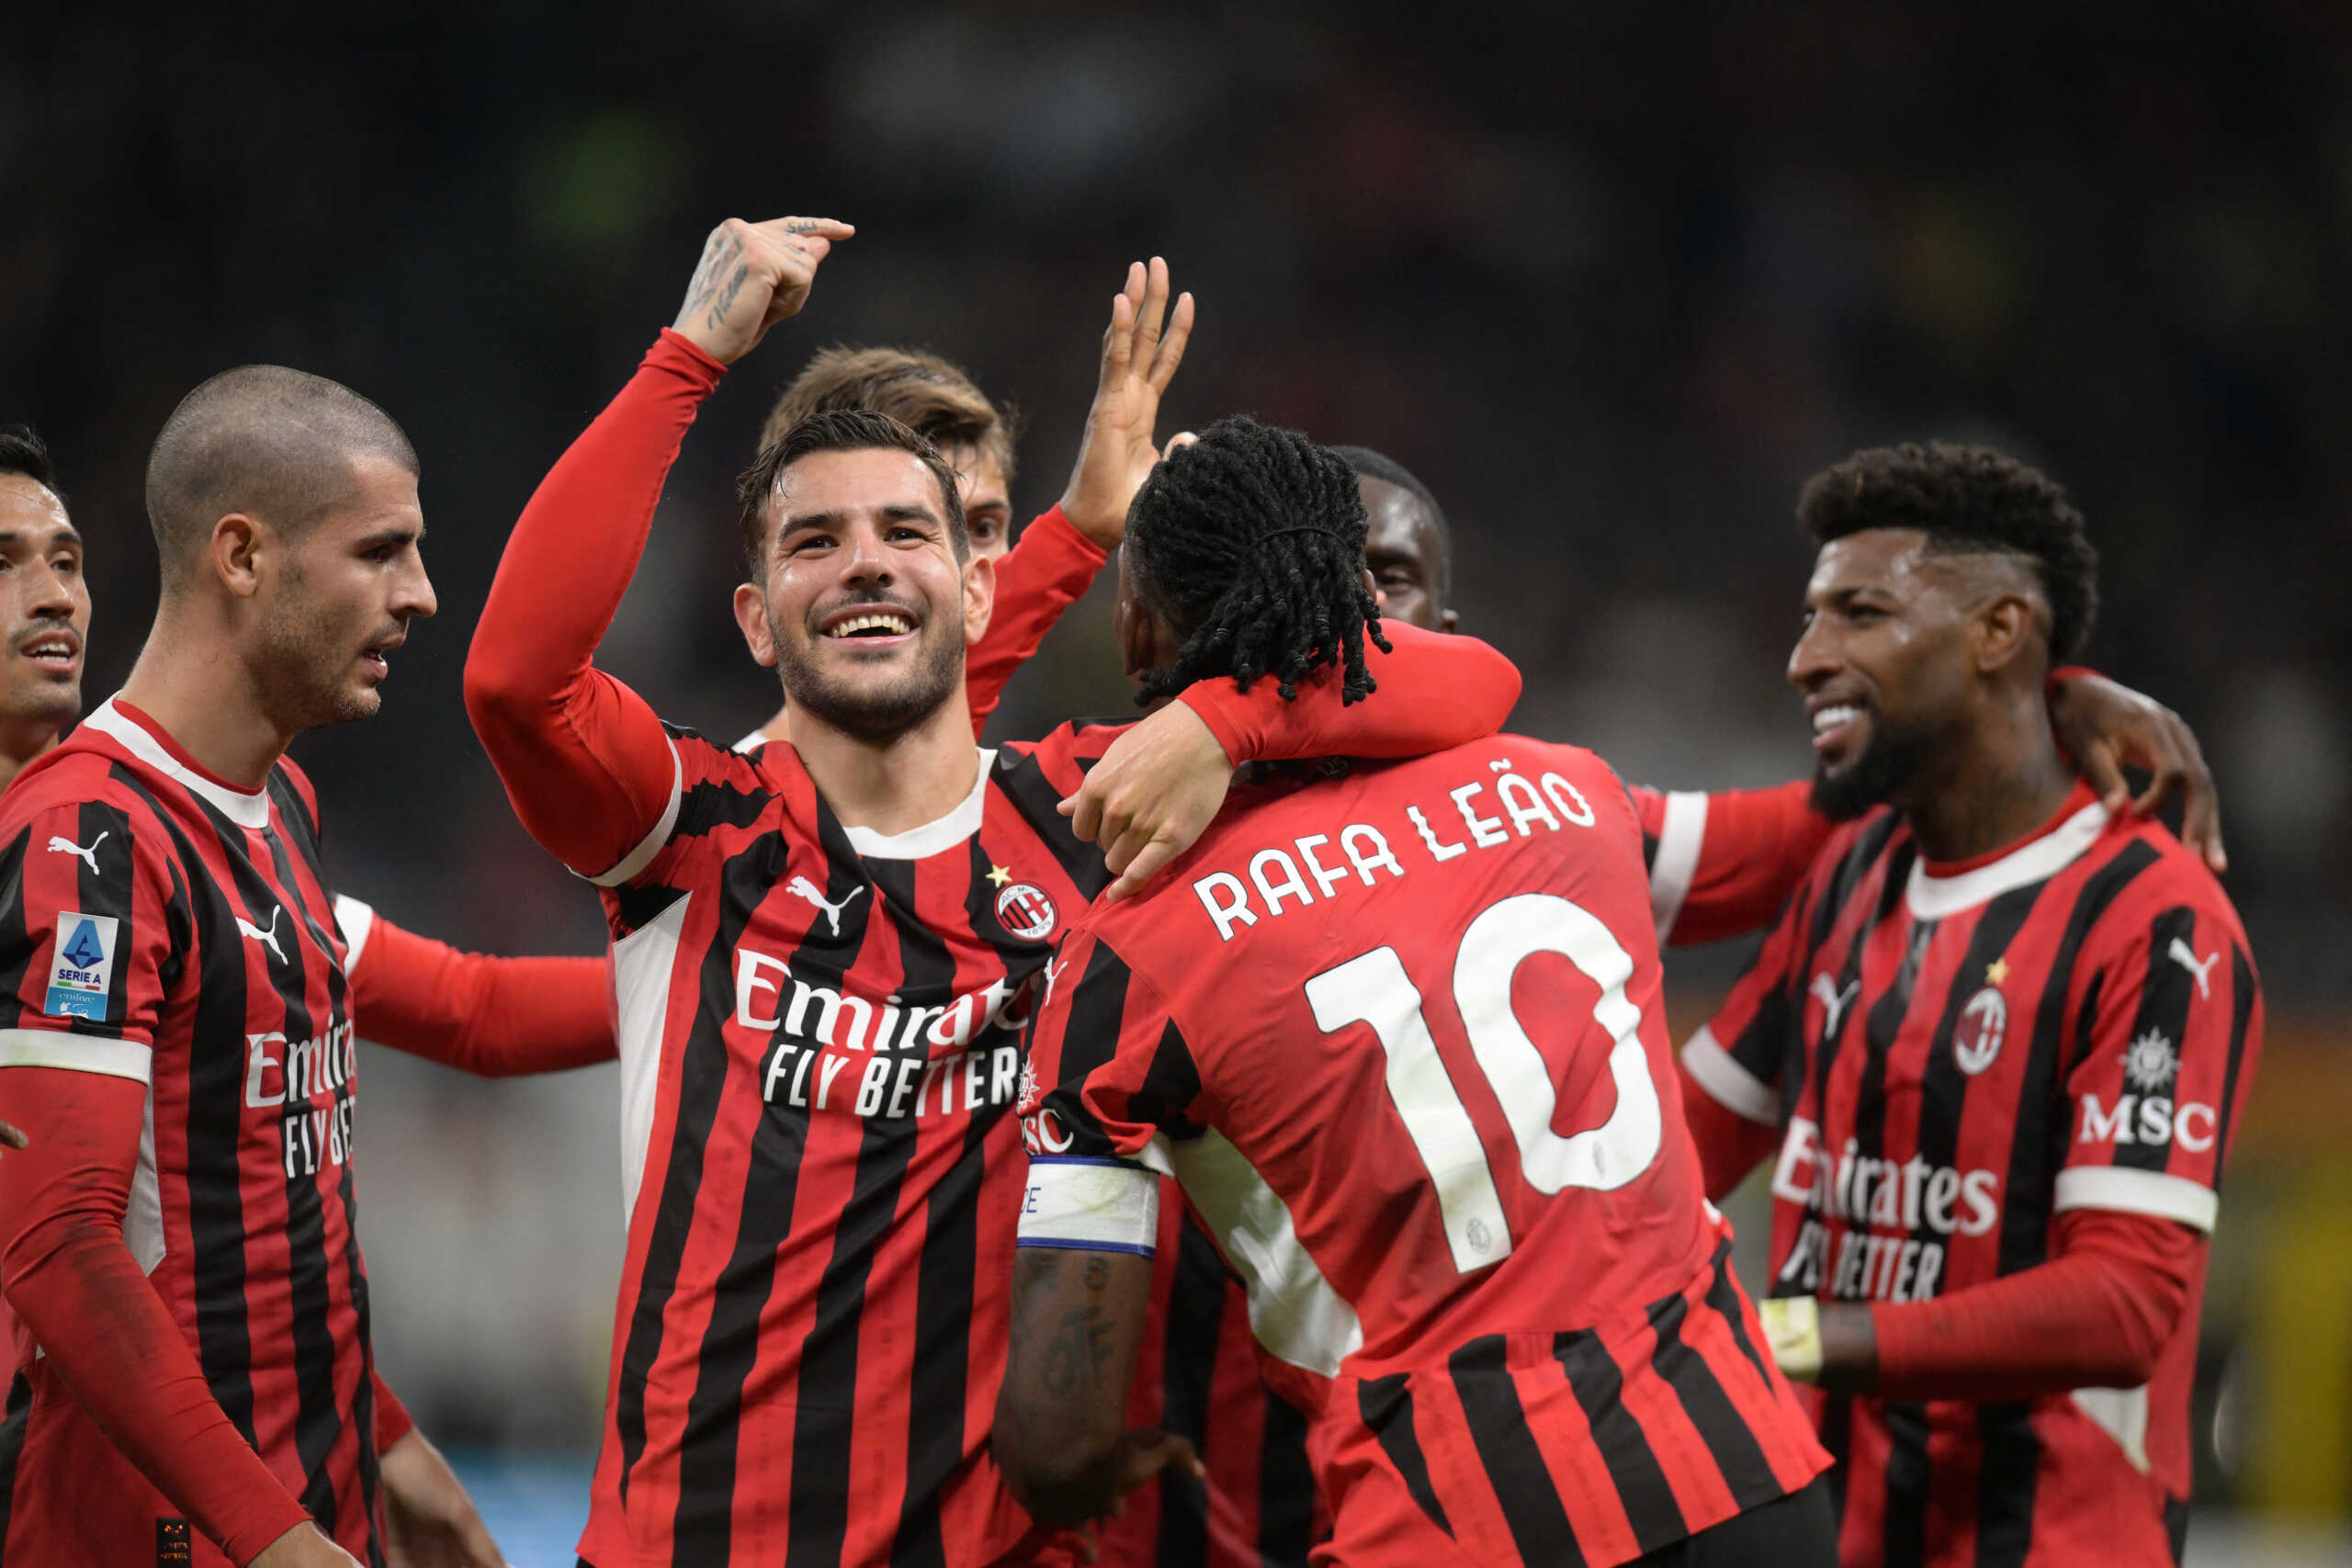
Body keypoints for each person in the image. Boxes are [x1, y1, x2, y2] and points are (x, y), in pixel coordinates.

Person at [463, 215, 1522, 1567]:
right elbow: (512, 679)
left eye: (907, 531)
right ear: (753, 616)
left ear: (979, 581)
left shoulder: (1092, 812)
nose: (862, 562)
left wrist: (1227, 722)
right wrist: (691, 355)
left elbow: (1474, 682)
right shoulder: (698, 832)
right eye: (813, 542)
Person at [1003, 416, 1837, 1568]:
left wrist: (1079, 1469)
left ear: (1136, 623)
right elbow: (1507, 693)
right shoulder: (1575, 794)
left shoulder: (1129, 959)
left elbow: (1055, 1440)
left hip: (1449, 1510)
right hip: (1747, 1480)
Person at [747, 336, 1322, 1565]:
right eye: (863, 536)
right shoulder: (733, 829)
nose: (975, 564)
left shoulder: (1086, 799)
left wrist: (1226, 714)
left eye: (986, 527)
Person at [1673, 444, 2260, 1565]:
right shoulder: (1848, 870)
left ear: (1998, 633)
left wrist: (1793, 1333)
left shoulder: (2156, 923)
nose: (1806, 659)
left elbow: (2124, 1305)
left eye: (1859, 613)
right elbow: (1675, 1146)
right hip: (1826, 1533)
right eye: (1809, 617)